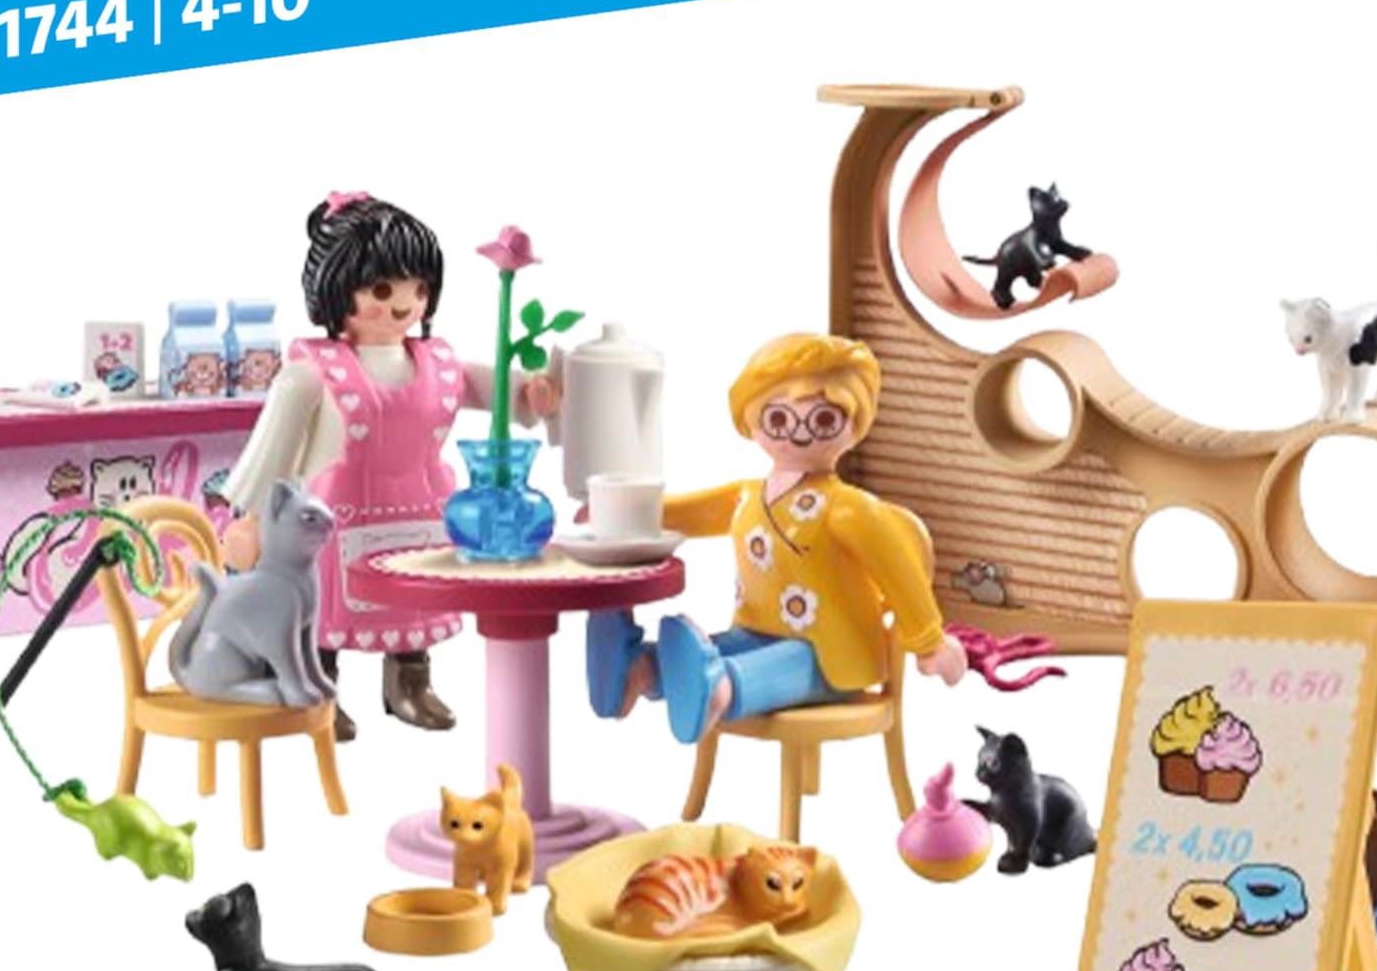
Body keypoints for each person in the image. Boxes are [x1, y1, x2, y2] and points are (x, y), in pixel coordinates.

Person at [220, 194, 556, 739]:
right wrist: (253, 518)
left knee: (413, 602)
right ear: (335, 290)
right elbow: (273, 447)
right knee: (324, 610)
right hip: (333, 518)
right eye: (381, 290)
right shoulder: (311, 372)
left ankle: (410, 682)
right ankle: (317, 689)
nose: (402, 303)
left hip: (420, 510)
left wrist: (529, 392)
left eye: (417, 289)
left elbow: (496, 388)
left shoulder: (438, 362)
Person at [586, 331, 966, 741]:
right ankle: (639, 669)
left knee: (754, 665)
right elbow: (690, 512)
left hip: (829, 654)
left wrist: (930, 641)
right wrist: (624, 515)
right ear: (750, 418)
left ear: (854, 424)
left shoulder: (848, 508)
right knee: (719, 652)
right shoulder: (748, 496)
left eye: (824, 420)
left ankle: (719, 689)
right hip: (755, 631)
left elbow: (899, 572)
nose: (798, 433)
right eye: (779, 419)